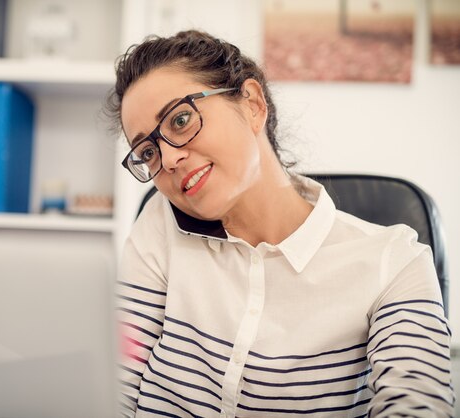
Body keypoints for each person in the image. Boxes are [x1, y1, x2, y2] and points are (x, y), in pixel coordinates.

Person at [106, 30, 454, 417]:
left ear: (252, 105)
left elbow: (417, 407)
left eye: (181, 120)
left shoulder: (395, 261)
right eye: (148, 152)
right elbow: (113, 389)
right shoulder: (160, 222)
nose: (168, 160)